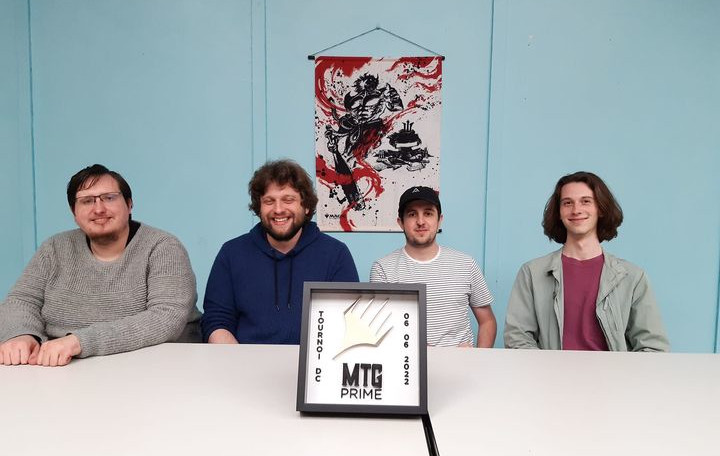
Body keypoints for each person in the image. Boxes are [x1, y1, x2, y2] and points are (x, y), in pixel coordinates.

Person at [0, 164, 201, 367]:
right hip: (60, 367)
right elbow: (21, 301)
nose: (98, 209)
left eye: (109, 198)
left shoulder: (163, 247)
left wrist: (79, 342)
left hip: (155, 367)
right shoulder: (54, 248)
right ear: (74, 212)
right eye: (87, 201)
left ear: (129, 204)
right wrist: (21, 334)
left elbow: (166, 317)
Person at [504, 171, 669, 351]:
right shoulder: (532, 273)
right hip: (549, 370)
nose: (576, 210)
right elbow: (517, 338)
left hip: (613, 371)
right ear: (559, 212)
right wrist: (548, 368)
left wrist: (620, 370)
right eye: (567, 203)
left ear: (601, 209)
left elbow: (652, 347)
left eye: (586, 201)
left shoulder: (632, 277)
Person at [202, 159, 359, 344]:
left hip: (312, 361)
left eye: (288, 200)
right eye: (269, 201)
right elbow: (216, 321)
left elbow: (347, 322)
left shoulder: (336, 254)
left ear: (306, 206)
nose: (278, 209)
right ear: (259, 208)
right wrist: (239, 360)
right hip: (243, 359)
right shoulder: (231, 253)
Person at [370, 186, 497, 347]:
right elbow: (379, 329)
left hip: (460, 361)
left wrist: (477, 357)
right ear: (400, 222)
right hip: (408, 361)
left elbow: (487, 321)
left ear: (439, 220)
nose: (420, 221)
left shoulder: (466, 264)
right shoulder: (382, 269)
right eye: (412, 214)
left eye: (428, 213)